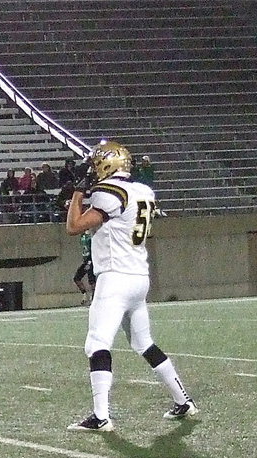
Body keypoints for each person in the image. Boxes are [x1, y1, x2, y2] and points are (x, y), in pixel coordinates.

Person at [64, 140, 196, 431]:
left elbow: (74, 226)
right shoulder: (143, 190)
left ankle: (100, 417)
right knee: (143, 343)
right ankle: (183, 400)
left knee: (97, 344)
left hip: (115, 277)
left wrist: (77, 192)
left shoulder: (108, 192)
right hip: (139, 275)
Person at [73, 230, 95, 306]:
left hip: (90, 260)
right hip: (85, 260)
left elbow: (93, 249)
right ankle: (85, 295)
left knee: (91, 280)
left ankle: (94, 298)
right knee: (77, 278)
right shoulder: (83, 235)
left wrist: (90, 260)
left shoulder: (91, 236)